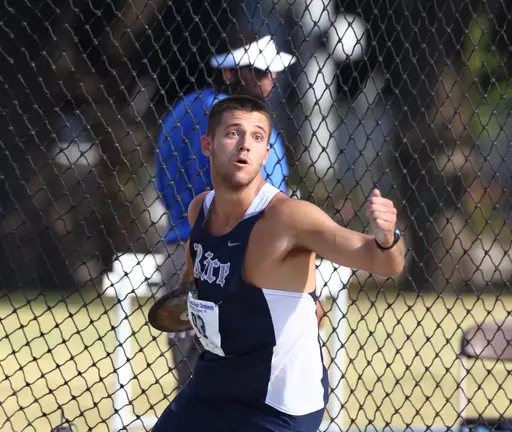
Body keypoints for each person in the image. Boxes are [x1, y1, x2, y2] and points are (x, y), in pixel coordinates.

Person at [152, 95, 405, 431]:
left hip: (277, 404)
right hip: (214, 385)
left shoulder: (288, 219)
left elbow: (384, 263)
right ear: (207, 145)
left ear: (266, 153)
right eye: (233, 133)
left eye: (257, 137)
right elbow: (192, 279)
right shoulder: (200, 210)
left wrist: (387, 237)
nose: (245, 144)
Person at [153, 27, 296, 388]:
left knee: (194, 384)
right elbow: (270, 205)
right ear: (231, 73)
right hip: (238, 258)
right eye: (260, 72)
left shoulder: (181, 112)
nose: (271, 80)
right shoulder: (252, 131)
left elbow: (162, 176)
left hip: (179, 251)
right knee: (246, 381)